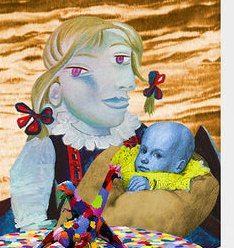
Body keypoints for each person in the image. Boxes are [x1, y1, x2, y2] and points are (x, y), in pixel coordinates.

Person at [10, 16, 151, 232]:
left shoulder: (138, 134)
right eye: (81, 71)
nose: (124, 83)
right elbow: (32, 220)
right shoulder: (47, 144)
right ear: (56, 92)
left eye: (121, 61)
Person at [112, 122, 209, 193]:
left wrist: (150, 184)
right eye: (144, 151)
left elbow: (177, 183)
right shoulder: (126, 161)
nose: (144, 159)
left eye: (158, 155)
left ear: (178, 166)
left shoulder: (184, 179)